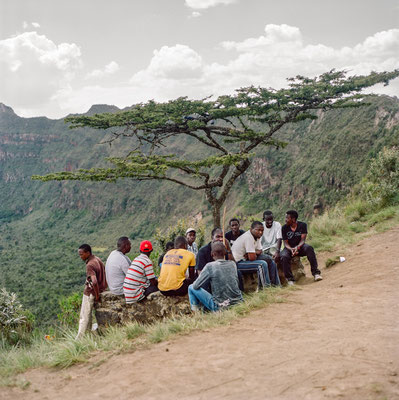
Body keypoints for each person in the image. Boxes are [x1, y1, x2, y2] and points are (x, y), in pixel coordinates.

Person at [188, 242, 243, 312]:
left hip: (220, 307)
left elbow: (196, 286)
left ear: (212, 254)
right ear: (225, 253)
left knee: (191, 287)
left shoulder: (210, 266)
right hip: (238, 303)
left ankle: (196, 312)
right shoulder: (232, 264)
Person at [232, 221, 281, 288]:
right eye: (258, 230)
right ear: (251, 229)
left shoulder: (257, 236)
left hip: (245, 260)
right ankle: (266, 288)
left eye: (262, 230)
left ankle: (276, 285)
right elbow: (252, 258)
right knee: (262, 264)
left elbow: (260, 251)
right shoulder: (248, 237)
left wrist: (253, 253)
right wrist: (252, 254)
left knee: (271, 261)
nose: (260, 232)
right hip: (238, 263)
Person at [281, 210, 323, 285]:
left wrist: (297, 247)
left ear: (293, 219)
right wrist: (291, 249)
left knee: (309, 248)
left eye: (287, 218)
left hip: (300, 246)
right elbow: (285, 243)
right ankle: (290, 279)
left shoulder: (302, 225)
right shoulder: (284, 228)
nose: (285, 220)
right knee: (284, 256)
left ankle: (316, 273)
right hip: (289, 248)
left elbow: (303, 240)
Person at [76, 244, 107, 339]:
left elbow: (94, 281)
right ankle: (88, 337)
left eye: (81, 254)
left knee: (84, 317)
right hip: (101, 290)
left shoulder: (90, 265)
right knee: (88, 317)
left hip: (90, 293)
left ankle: (79, 339)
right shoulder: (97, 259)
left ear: (88, 253)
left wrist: (96, 295)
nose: (80, 256)